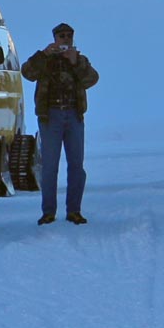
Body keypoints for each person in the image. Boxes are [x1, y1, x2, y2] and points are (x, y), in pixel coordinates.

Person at [22, 22, 100, 225]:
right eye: (62, 36)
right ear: (55, 38)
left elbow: (91, 79)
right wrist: (44, 54)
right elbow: (27, 73)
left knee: (76, 166)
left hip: (74, 116)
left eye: (69, 36)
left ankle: (74, 211)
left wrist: (76, 62)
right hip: (51, 117)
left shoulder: (79, 60)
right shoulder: (45, 60)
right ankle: (48, 212)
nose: (66, 39)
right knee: (49, 166)